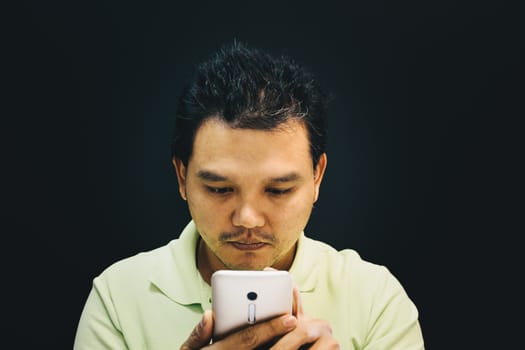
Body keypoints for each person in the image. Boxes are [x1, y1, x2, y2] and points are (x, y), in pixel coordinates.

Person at [74, 42, 424, 349]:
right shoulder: (118, 298)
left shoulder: (375, 300)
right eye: (219, 189)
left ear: (317, 176)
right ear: (182, 177)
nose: (247, 218)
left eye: (278, 190)